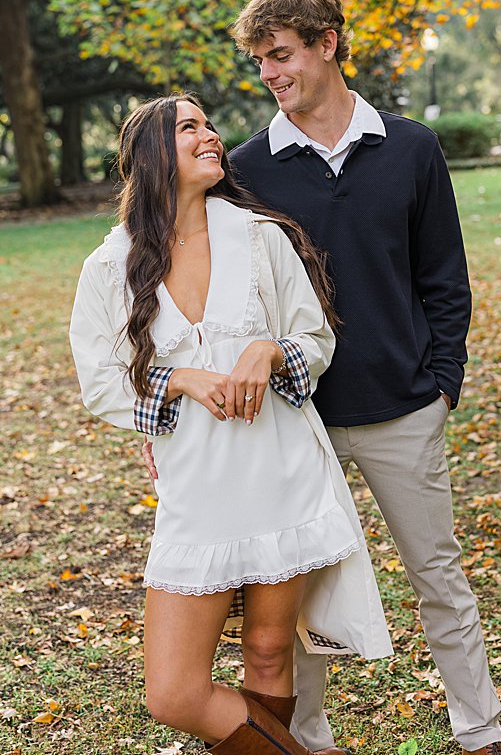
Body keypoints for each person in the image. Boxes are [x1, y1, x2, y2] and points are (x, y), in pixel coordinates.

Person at [223, 0, 501, 755]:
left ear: (328, 43)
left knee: (439, 578)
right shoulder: (247, 168)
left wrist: (443, 384)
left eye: (282, 55)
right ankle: (307, 741)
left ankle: (481, 732)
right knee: (294, 595)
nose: (270, 73)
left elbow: (444, 277)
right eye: (260, 61)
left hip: (404, 409)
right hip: (294, 418)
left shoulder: (412, 147)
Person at [70, 95, 392, 754]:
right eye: (189, 127)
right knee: (174, 693)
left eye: (209, 124)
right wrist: (179, 378)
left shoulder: (260, 238)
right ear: (150, 155)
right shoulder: (108, 266)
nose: (211, 135)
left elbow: (316, 339)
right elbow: (99, 383)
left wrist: (268, 351)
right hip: (196, 491)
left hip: (281, 472)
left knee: (270, 650)